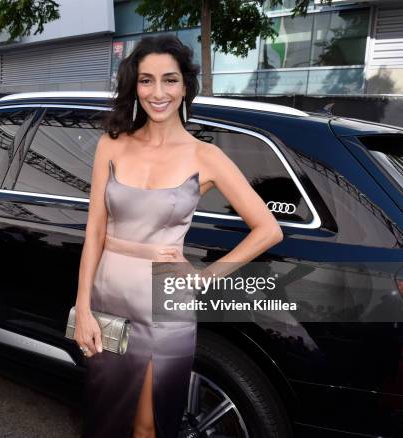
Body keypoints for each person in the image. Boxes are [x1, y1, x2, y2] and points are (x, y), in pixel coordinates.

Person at [74, 35, 284, 438]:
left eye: (169, 80)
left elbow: (267, 228)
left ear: (185, 86)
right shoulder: (111, 145)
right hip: (107, 298)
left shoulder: (206, 157)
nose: (158, 92)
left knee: (149, 426)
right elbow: (95, 230)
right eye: (147, 80)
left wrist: (204, 278)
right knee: (104, 420)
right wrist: (83, 308)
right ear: (134, 86)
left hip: (165, 305)